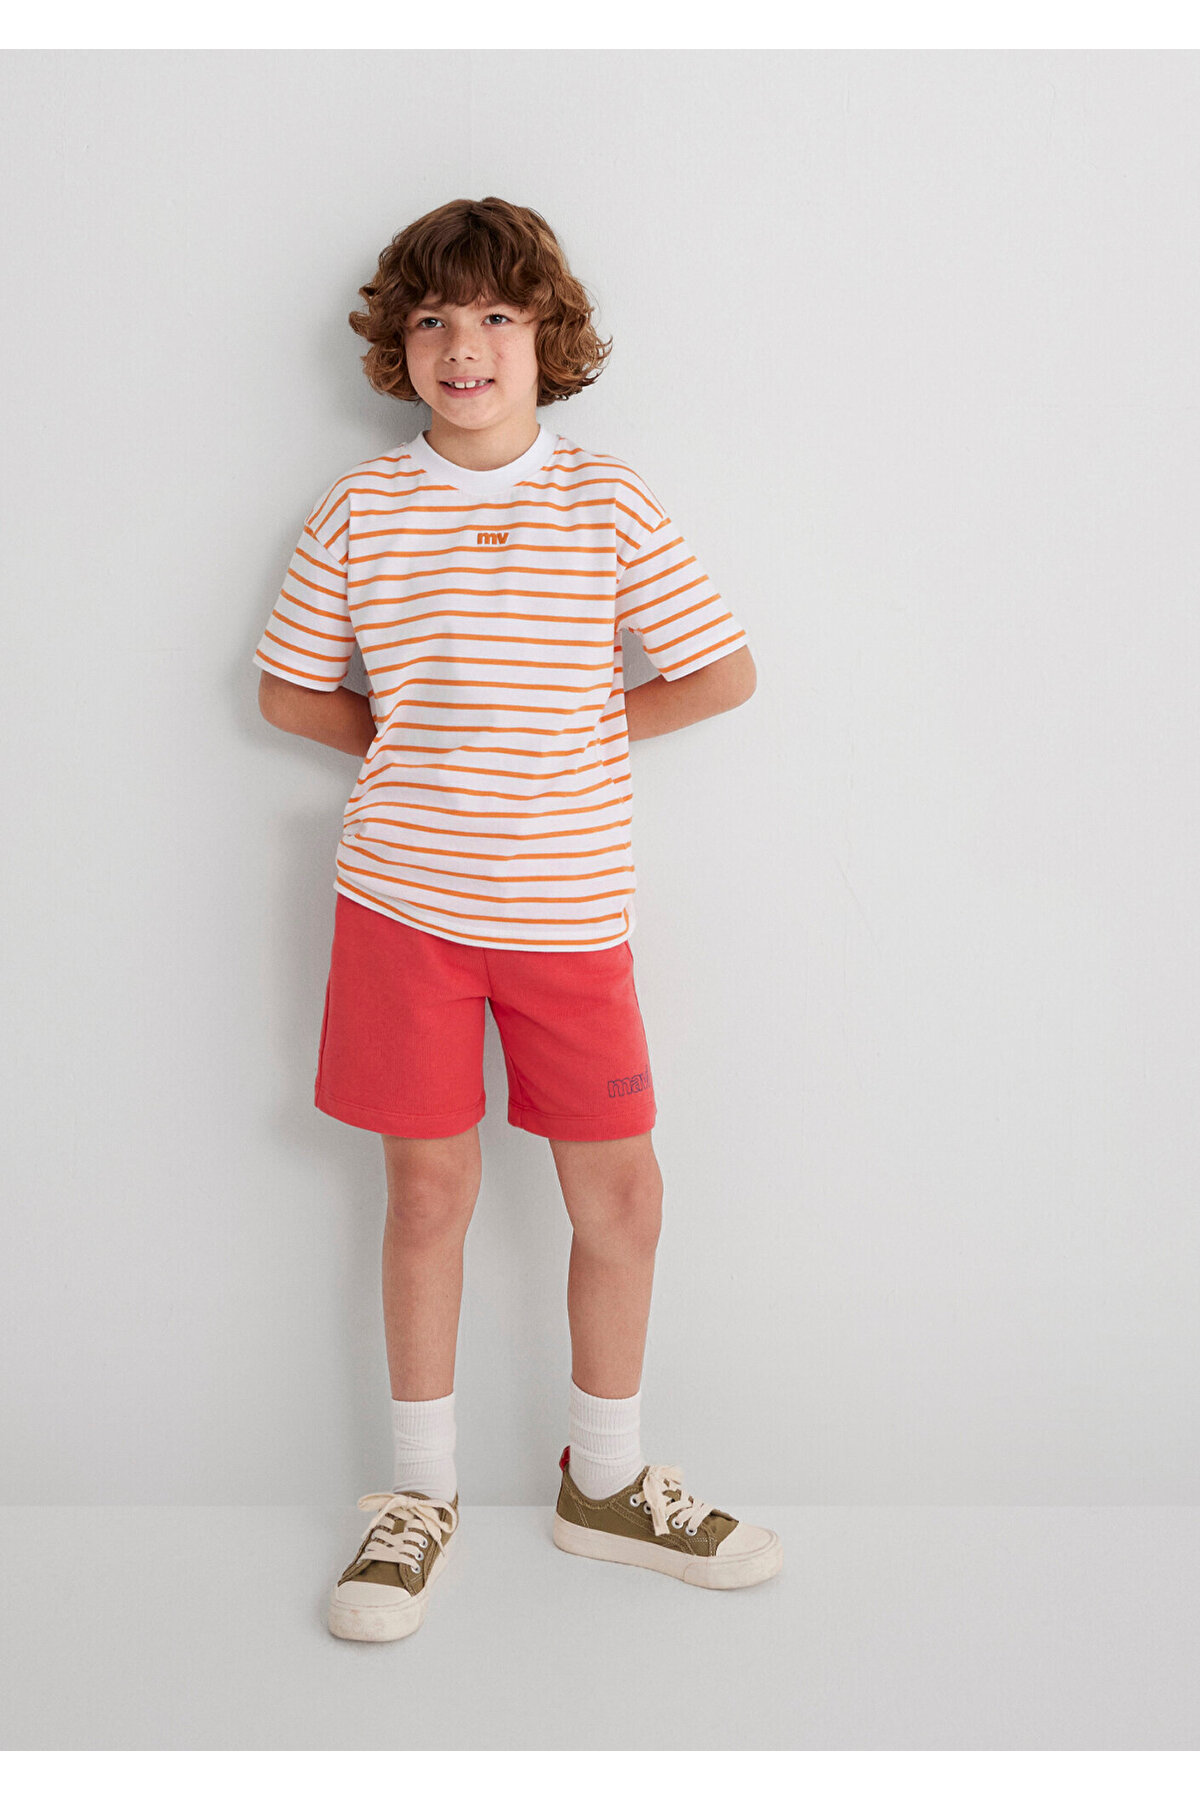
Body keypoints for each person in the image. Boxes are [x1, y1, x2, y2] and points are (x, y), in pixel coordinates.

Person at [253, 196, 782, 1643]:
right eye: (433, 318)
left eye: (496, 314)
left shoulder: (604, 501)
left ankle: (602, 1481)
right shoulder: (362, 508)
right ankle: (417, 1497)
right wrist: (429, 747)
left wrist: (575, 731)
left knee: (623, 1199)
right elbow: (290, 691)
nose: (464, 345)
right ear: (399, 347)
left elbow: (721, 671)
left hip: (568, 917)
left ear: (548, 335)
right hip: (403, 910)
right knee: (428, 1194)